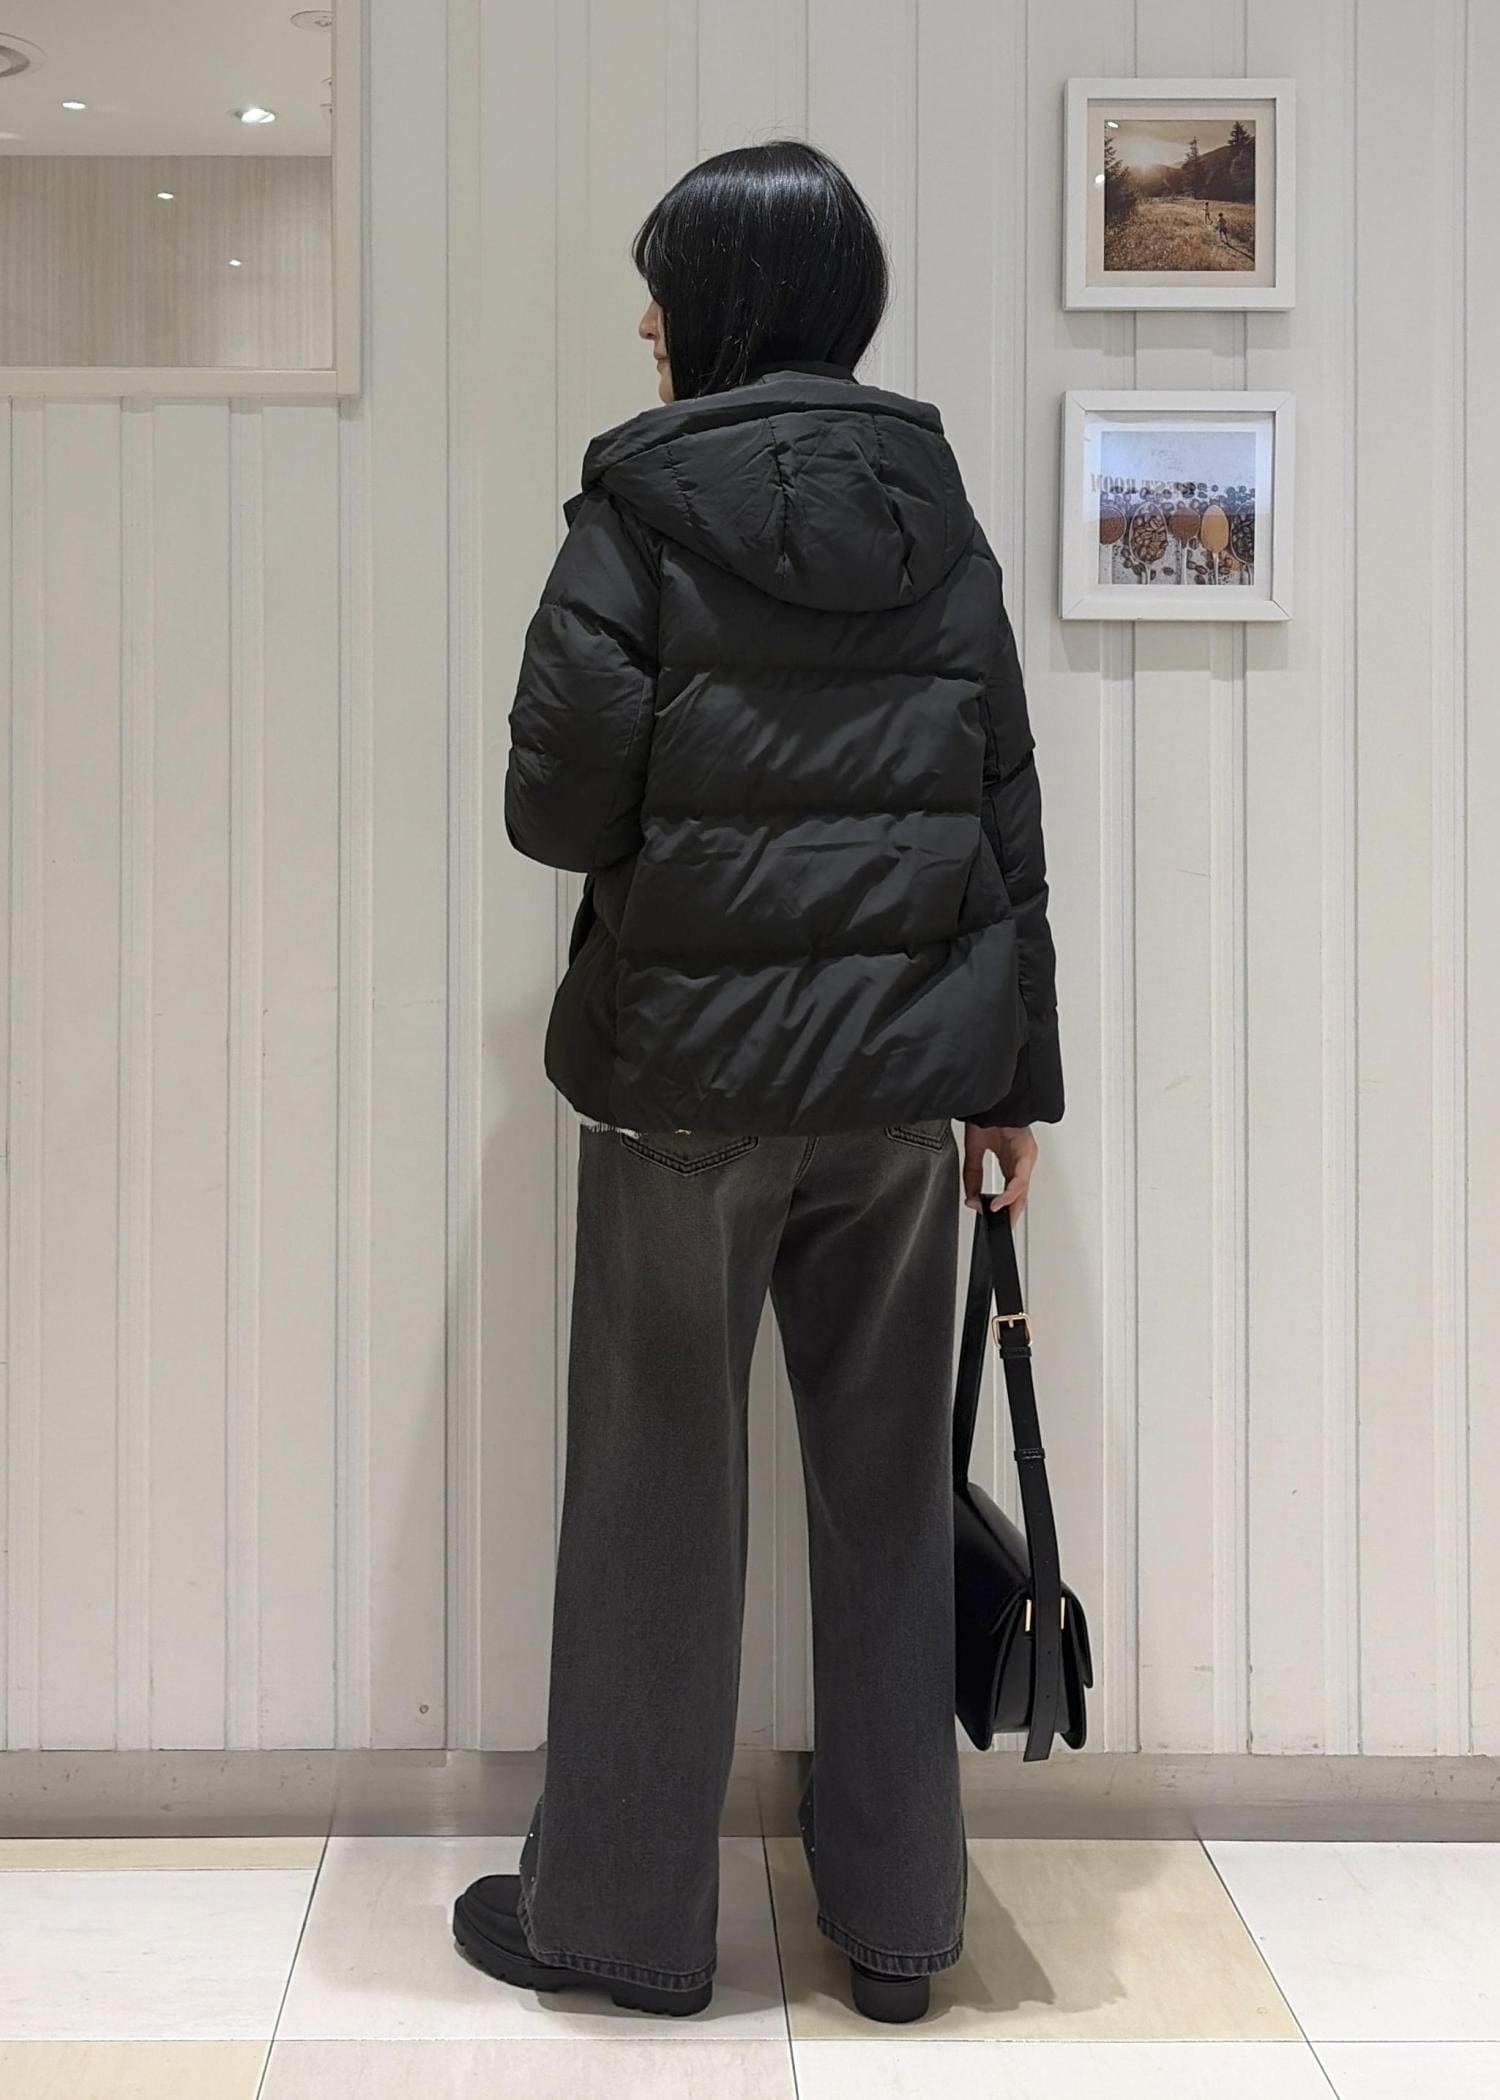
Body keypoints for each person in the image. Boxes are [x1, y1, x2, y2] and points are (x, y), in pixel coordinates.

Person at [452, 138, 1063, 2025]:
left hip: (685, 1089)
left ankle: (623, 1927)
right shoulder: (939, 517)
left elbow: (555, 808)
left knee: (656, 1496)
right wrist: (1014, 1087)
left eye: (664, 283)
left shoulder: (635, 511)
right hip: (900, 1094)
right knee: (886, 1492)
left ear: (722, 299)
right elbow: (1002, 816)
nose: (646, 320)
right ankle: (899, 1931)